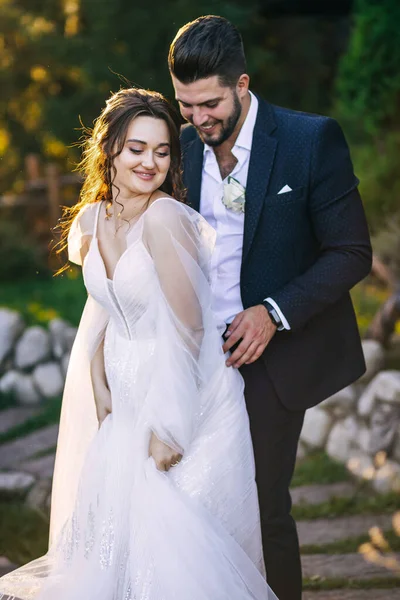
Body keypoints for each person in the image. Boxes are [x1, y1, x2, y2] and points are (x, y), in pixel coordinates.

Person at [0, 88, 278, 600]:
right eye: (136, 148)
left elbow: (189, 330)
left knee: (176, 550)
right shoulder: (90, 222)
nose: (151, 162)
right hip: (125, 402)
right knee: (116, 541)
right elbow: (105, 309)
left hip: (186, 398)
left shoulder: (165, 219)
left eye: (163, 150)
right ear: (109, 150)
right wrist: (96, 378)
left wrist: (169, 427)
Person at [169, 15, 372, 600]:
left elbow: (351, 251)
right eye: (186, 106)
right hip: (190, 359)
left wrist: (272, 311)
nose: (198, 119)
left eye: (209, 103)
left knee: (260, 506)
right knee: (191, 504)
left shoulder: (311, 141)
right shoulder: (178, 147)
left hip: (268, 358)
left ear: (242, 84)